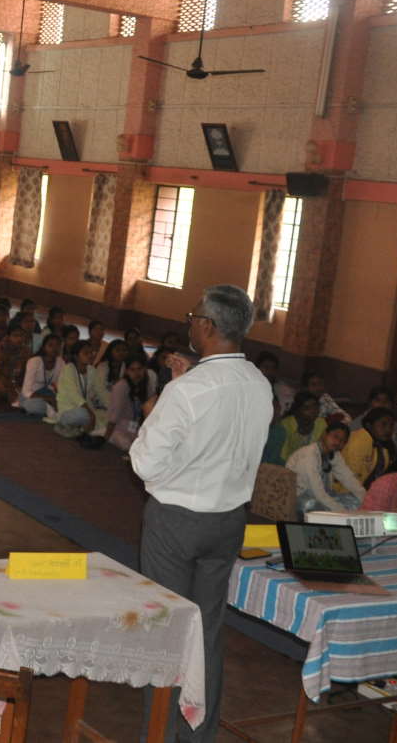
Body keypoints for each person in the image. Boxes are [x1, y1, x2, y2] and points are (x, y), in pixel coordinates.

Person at [129, 284, 272, 742]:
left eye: (193, 316)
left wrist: (164, 403)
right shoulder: (259, 384)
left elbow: (144, 462)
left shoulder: (189, 391)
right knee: (207, 630)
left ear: (207, 326)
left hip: (176, 521)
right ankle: (198, 732)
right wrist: (180, 388)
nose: (189, 322)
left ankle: (160, 732)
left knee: (167, 628)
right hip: (228, 520)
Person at [285, 422, 367, 515]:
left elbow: (348, 478)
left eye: (342, 441)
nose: (338, 442)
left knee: (357, 500)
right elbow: (316, 492)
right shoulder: (308, 455)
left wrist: (367, 500)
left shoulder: (334, 454)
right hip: (301, 498)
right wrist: (342, 512)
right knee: (313, 506)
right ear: (324, 434)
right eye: (335, 437)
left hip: (323, 495)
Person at [52, 339, 106, 443]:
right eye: (86, 353)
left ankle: (79, 430)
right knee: (84, 414)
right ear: (76, 356)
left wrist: (113, 408)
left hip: (87, 409)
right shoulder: (69, 369)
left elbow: (101, 392)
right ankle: (67, 426)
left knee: (107, 415)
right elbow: (74, 395)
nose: (90, 355)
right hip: (69, 411)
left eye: (91, 352)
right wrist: (91, 414)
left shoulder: (92, 370)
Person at [106, 354, 156, 452]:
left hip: (136, 428)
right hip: (118, 428)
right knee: (129, 446)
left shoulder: (146, 386)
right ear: (126, 371)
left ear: (144, 369)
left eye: (139, 369)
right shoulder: (121, 386)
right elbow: (113, 417)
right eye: (132, 370)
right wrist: (105, 439)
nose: (137, 373)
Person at [262, 390, 325, 466]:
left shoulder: (321, 424)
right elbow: (282, 457)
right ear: (297, 410)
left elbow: (323, 450)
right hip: (289, 466)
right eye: (307, 408)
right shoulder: (285, 427)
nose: (313, 411)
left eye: (315, 406)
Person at [344, 407, 397, 489]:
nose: (388, 429)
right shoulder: (361, 438)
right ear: (369, 425)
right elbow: (352, 476)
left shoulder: (384, 447)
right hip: (346, 491)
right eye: (383, 424)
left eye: (391, 425)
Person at [17, 334, 64, 418]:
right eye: (50, 345)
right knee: (32, 405)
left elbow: (60, 386)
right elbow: (26, 391)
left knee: (66, 401)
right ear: (43, 347)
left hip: (50, 394)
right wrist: (49, 399)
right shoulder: (34, 361)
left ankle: (50, 410)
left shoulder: (61, 362)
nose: (55, 348)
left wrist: (58, 398)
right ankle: (50, 410)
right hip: (31, 396)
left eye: (58, 346)